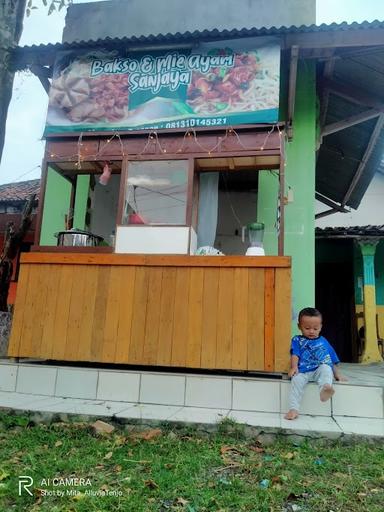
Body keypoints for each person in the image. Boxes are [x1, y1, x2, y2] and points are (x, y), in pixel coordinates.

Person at [284, 307, 347, 420]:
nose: (311, 331)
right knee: (296, 381)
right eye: (307, 328)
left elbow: (331, 359)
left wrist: (337, 374)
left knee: (326, 368)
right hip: (303, 371)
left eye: (315, 328)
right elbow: (295, 354)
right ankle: (293, 409)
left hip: (319, 369)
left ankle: (325, 388)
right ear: (299, 326)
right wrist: (294, 367)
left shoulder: (323, 341)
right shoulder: (297, 340)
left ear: (321, 327)